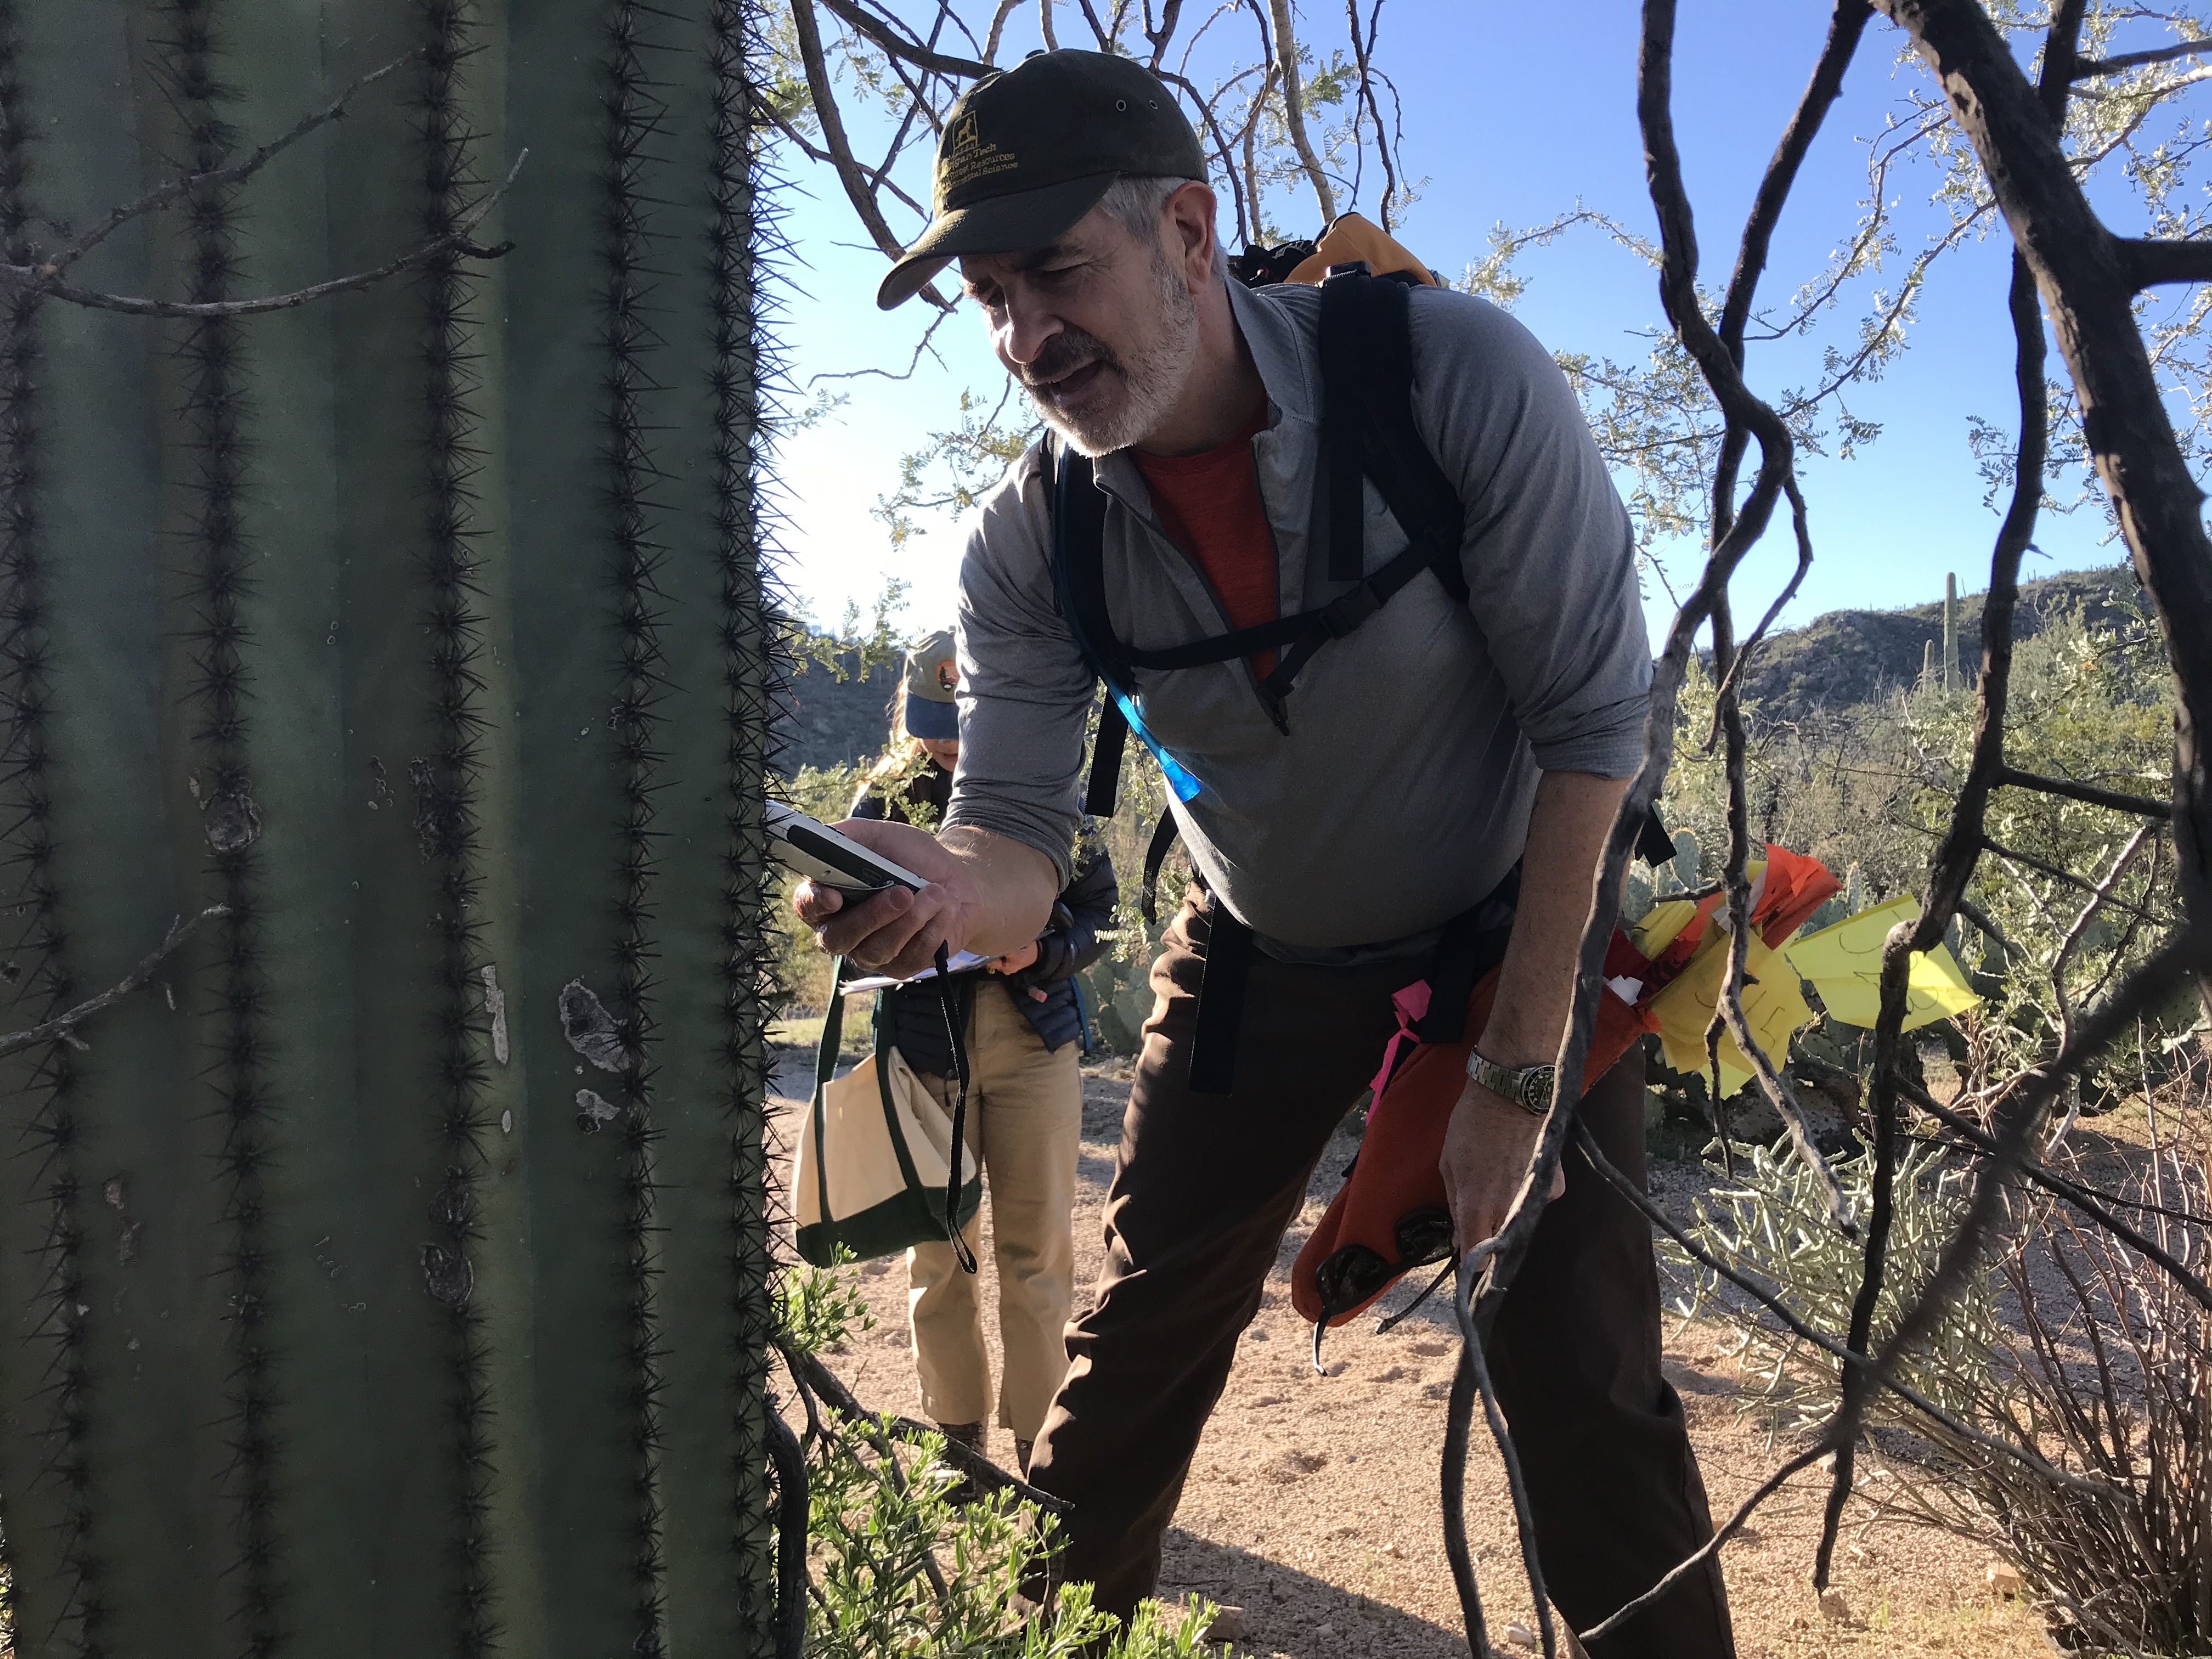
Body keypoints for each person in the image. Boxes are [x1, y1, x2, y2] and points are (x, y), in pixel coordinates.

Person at [795, 49, 1735, 1657]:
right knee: (1140, 1345)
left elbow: (1594, 731)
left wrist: (1520, 1073)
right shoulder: (1033, 541)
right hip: (1254, 953)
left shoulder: (1450, 379)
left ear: (1184, 230)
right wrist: (948, 895)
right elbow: (1018, 843)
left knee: (1581, 1375)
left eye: (1059, 277)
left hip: (1513, 925)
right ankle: (1053, 1646)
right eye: (995, 299)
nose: (1027, 339)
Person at [853, 631, 1116, 1477]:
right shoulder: (882, 804)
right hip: (927, 1051)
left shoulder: (1042, 791)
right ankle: (955, 1441)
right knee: (938, 1251)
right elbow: (850, 937)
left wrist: (1039, 952)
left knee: (1038, 1253)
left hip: (1034, 1045)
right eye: (933, 725)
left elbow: (1095, 917)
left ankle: (1043, 1447)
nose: (947, 744)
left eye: (959, 723)